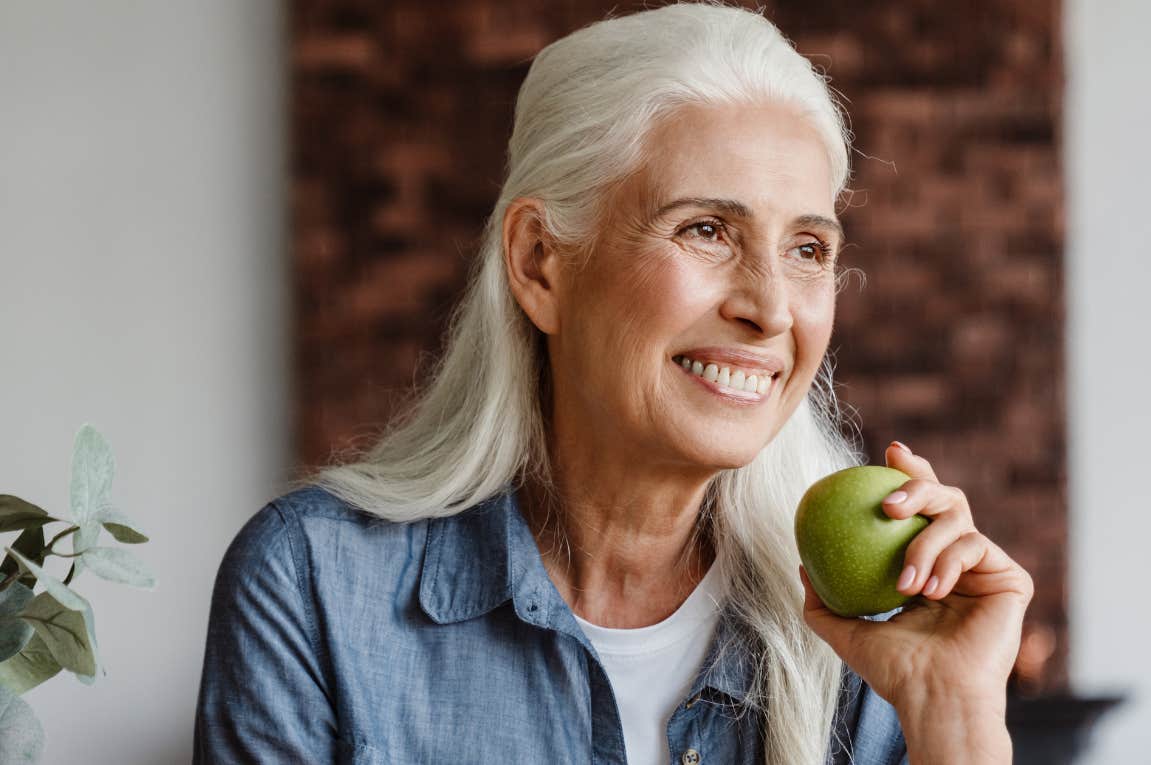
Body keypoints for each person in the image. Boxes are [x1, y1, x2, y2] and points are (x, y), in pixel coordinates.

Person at [192, 3, 1033, 763]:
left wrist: (954, 717)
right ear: (540, 263)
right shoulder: (313, 585)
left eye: (808, 248)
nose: (772, 307)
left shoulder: (865, 632)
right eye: (706, 229)